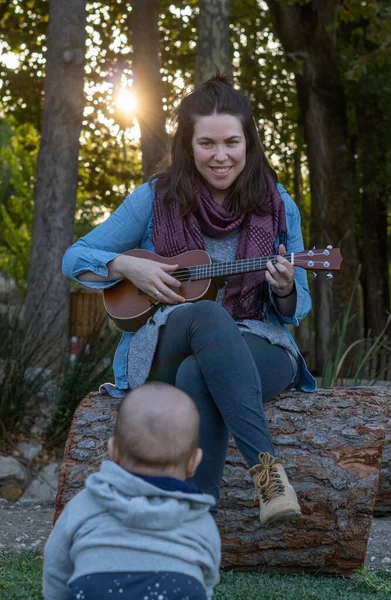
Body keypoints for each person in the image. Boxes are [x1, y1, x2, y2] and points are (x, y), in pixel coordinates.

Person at [62, 74, 316, 529]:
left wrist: (282, 288)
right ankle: (269, 472)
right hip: (170, 335)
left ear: (249, 143)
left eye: (232, 142)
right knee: (205, 312)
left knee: (199, 373)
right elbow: (75, 257)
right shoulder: (155, 200)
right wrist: (126, 266)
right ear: (188, 144)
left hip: (260, 339)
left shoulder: (279, 206)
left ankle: (196, 530)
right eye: (207, 143)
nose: (221, 156)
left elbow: (298, 306)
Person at [43, 382, 220, 600]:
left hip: (95, 589)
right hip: (179, 589)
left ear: (112, 450)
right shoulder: (200, 520)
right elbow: (207, 580)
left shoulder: (85, 504)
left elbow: (56, 567)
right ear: (194, 462)